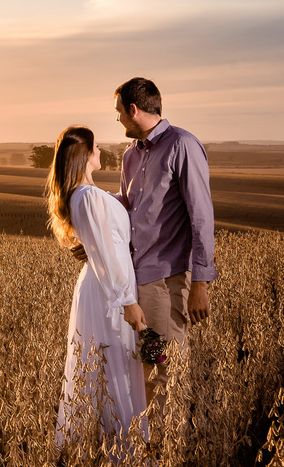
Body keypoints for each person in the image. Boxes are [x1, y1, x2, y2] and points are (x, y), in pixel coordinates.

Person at [114, 77, 217, 412]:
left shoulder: (182, 145)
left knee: (164, 372)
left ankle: (167, 455)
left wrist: (200, 282)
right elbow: (126, 211)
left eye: (119, 112)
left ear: (134, 110)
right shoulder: (130, 156)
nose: (117, 120)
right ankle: (150, 453)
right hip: (136, 282)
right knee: (146, 369)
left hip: (167, 281)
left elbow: (201, 216)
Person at [48, 126, 149, 448]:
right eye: (96, 148)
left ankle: (113, 449)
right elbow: (106, 254)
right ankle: (126, 457)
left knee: (121, 364)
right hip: (110, 291)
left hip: (111, 286)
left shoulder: (91, 195)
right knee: (117, 366)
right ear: (85, 154)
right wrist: (127, 301)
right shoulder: (87, 197)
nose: (101, 152)